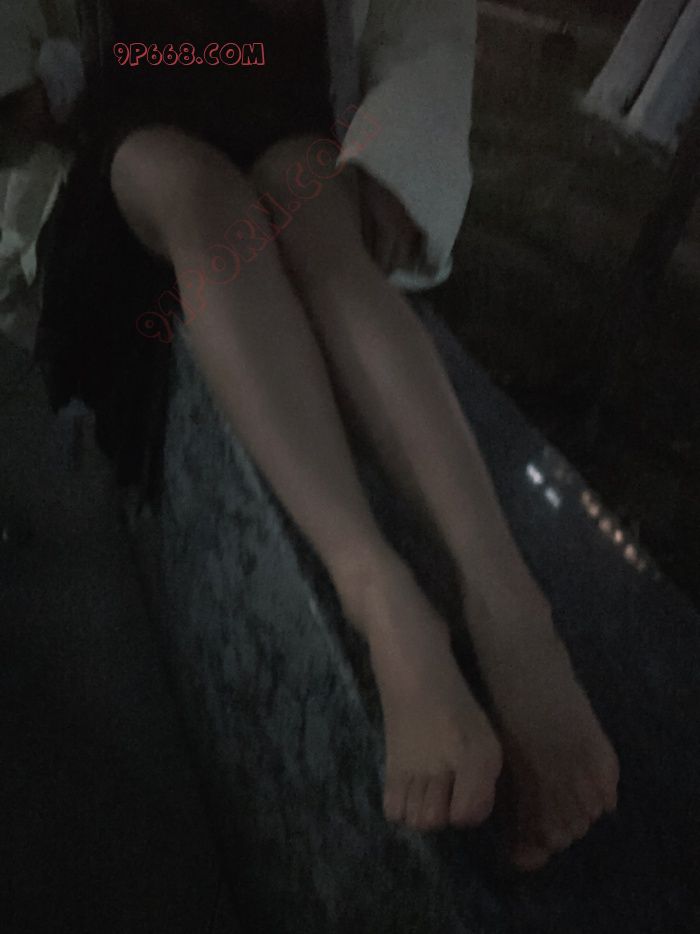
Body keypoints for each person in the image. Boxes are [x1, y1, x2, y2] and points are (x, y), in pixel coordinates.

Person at [0, 0, 619, 872]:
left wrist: (399, 157)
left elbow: (422, 17)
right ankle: (382, 596)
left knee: (312, 207)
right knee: (196, 191)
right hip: (131, 125)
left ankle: (508, 605)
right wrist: (29, 81)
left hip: (286, 105)